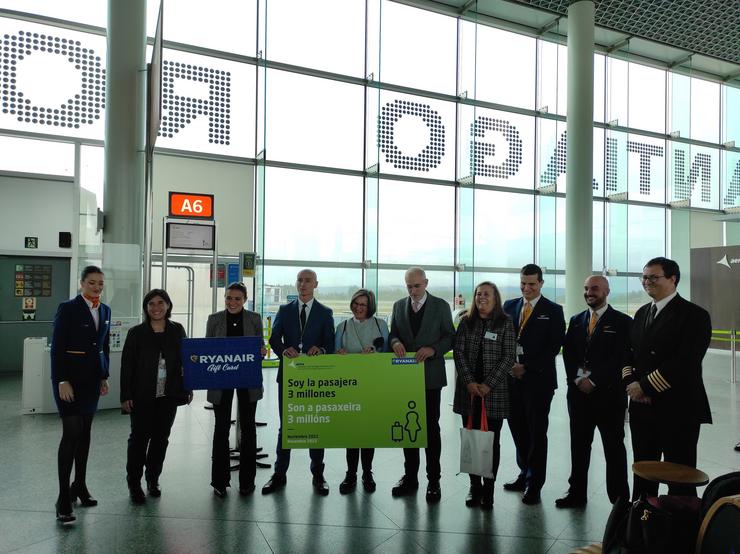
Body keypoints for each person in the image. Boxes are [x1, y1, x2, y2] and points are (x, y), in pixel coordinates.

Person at [623, 257, 712, 498]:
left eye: (654, 277)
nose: (647, 282)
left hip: (678, 409)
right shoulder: (642, 313)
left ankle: (680, 530)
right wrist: (631, 385)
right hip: (642, 409)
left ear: (673, 279)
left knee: (679, 476)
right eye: (644, 277)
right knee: (643, 473)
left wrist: (645, 387)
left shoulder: (694, 315)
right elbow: (630, 355)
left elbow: (685, 362)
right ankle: (642, 525)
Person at [557, 276, 631, 509]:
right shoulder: (576, 320)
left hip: (609, 398)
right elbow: (570, 355)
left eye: (595, 289)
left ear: (607, 291)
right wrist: (581, 379)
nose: (590, 292)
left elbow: (620, 358)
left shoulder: (622, 322)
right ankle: (576, 493)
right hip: (579, 397)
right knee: (578, 447)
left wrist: (595, 380)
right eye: (587, 288)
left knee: (614, 448)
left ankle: (619, 499)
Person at [263, 269, 335, 496]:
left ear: (316, 284)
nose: (303, 284)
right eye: (299, 281)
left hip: (315, 379)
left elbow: (330, 343)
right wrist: (284, 349)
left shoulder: (325, 312)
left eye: (307, 281)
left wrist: (321, 349)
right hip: (290, 377)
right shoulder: (285, 311)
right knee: (288, 426)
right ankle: (279, 474)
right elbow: (274, 338)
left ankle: (318, 475)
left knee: (316, 425)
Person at [50, 265, 111, 524]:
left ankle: (80, 486)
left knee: (85, 434)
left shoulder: (105, 310)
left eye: (100, 284)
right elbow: (58, 347)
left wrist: (104, 376)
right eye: (92, 283)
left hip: (91, 382)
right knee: (71, 435)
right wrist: (62, 380)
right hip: (69, 382)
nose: (96, 287)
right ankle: (63, 498)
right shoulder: (68, 307)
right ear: (81, 283)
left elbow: (103, 346)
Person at [389, 267, 455, 502]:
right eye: (409, 286)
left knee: (430, 428)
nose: (413, 290)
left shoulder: (440, 306)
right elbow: (393, 333)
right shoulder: (398, 306)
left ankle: (434, 479)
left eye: (417, 286)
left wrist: (434, 349)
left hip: (430, 377)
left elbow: (450, 337)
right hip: (404, 376)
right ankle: (410, 477)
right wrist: (395, 341)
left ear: (426, 283)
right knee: (409, 429)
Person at [120, 289, 192, 504]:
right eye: (151, 303)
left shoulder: (177, 330)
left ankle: (153, 479)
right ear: (146, 307)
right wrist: (126, 395)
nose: (156, 307)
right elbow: (127, 366)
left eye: (161, 303)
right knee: (139, 440)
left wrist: (188, 387)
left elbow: (186, 361)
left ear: (168, 306)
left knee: (161, 439)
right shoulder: (136, 333)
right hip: (142, 395)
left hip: (168, 395)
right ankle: (134, 483)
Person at [503, 263, 565, 505]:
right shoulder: (509, 306)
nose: (526, 288)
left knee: (537, 433)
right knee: (518, 429)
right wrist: (510, 366)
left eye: (531, 283)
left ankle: (535, 484)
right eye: (523, 283)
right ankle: (524, 473)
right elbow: (502, 340)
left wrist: (526, 367)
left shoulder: (553, 310)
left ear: (541, 283)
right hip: (511, 380)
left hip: (538, 381)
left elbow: (553, 346)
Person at [453, 281, 516, 510]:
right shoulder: (466, 322)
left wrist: (488, 384)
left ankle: (488, 489)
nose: (482, 297)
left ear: (495, 298)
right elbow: (458, 353)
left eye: (486, 294)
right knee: (471, 441)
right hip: (468, 393)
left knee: (491, 442)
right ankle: (474, 486)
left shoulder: (505, 323)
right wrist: (469, 382)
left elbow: (509, 356)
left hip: (493, 393)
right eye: (478, 294)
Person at [206, 282, 267, 497]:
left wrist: (261, 351)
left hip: (247, 379)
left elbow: (259, 347)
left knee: (248, 428)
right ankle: (219, 481)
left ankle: (247, 481)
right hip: (220, 380)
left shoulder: (254, 319)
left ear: (245, 300)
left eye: (237, 299)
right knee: (221, 428)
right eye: (228, 298)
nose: (232, 302)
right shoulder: (214, 320)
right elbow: (207, 350)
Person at [334, 288, 389, 494]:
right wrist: (340, 354)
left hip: (372, 386)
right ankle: (351, 473)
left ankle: (367, 472)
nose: (358, 308)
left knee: (368, 432)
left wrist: (375, 354)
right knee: (352, 432)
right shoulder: (342, 326)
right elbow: (334, 353)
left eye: (363, 305)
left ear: (370, 306)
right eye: (356, 303)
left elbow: (387, 353)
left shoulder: (380, 325)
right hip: (349, 387)